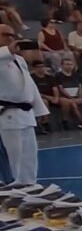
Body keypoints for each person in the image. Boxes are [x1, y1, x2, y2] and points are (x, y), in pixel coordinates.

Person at [0, 27, 49, 184]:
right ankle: (15, 188)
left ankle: (30, 185)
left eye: (12, 35)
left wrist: (40, 109)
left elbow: (30, 85)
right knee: (15, 156)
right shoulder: (3, 56)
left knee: (29, 155)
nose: (11, 38)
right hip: (8, 114)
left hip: (26, 113)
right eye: (6, 35)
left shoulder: (19, 60)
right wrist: (8, 50)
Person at [54, 57, 82, 129]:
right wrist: (70, 97)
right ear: (62, 65)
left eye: (71, 64)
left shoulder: (76, 75)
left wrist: (80, 96)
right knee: (72, 104)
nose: (69, 66)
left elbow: (80, 86)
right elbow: (61, 88)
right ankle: (80, 121)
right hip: (65, 97)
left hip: (76, 97)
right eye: (67, 64)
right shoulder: (58, 75)